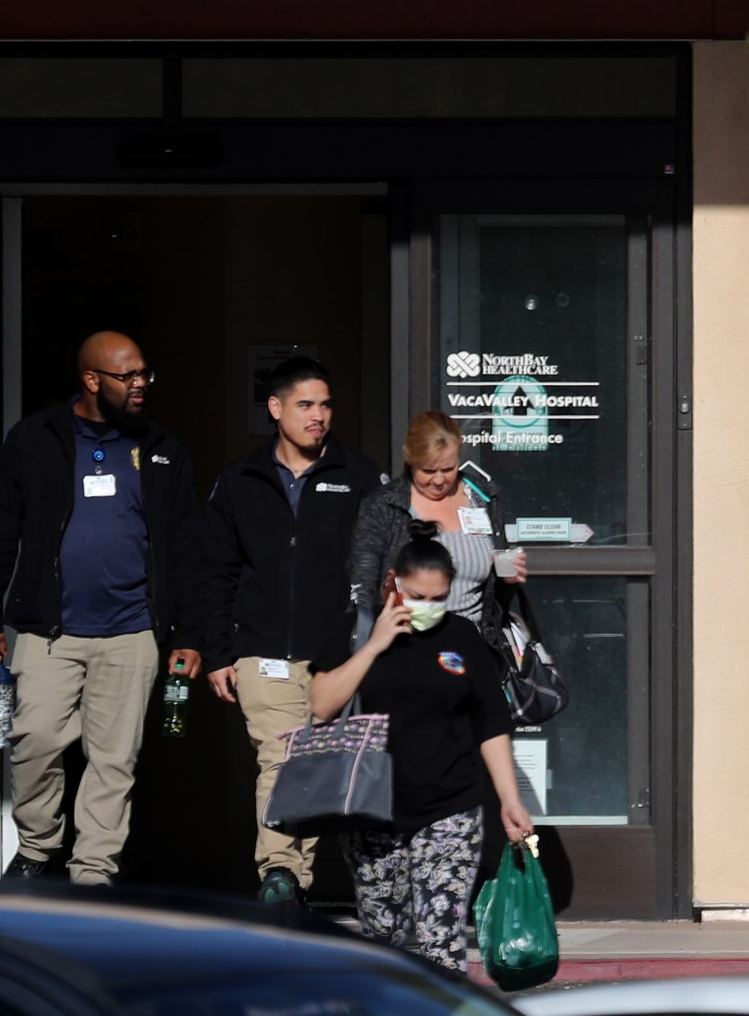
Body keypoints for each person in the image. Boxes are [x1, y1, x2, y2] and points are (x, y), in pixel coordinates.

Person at [0, 331, 205, 885]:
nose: (141, 384)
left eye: (145, 373)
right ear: (92, 380)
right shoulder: (34, 440)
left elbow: (185, 551)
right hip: (50, 629)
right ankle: (37, 844)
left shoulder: (165, 450)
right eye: (128, 376)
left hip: (131, 631)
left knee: (114, 760)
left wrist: (188, 633)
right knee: (35, 739)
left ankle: (93, 871)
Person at [201, 356, 382, 906]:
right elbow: (215, 571)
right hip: (263, 652)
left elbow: (379, 565)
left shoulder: (360, 477)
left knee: (325, 762)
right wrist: (216, 651)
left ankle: (299, 881)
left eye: (326, 405)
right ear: (275, 409)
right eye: (306, 405)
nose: (318, 416)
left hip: (339, 655)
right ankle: (280, 872)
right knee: (280, 758)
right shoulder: (240, 481)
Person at [309, 534, 532, 975]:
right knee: (383, 936)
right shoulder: (357, 626)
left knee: (441, 940)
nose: (428, 607)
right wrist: (374, 645)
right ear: (392, 582)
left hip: (450, 805)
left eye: (438, 598)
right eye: (416, 596)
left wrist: (509, 799)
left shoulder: (462, 636)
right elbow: (321, 704)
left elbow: (491, 725)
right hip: (372, 809)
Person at [344, 410, 527, 664]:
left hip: (472, 651)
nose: (439, 480)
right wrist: (367, 646)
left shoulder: (483, 499)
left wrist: (509, 580)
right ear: (410, 460)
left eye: (448, 469)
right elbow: (364, 588)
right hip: (406, 651)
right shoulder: (384, 506)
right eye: (428, 470)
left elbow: (495, 599)